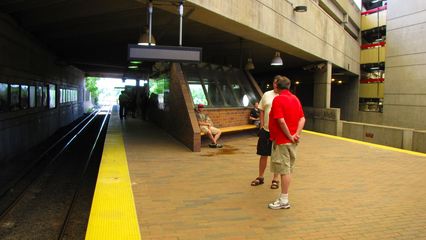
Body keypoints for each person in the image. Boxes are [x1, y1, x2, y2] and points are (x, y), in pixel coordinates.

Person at [267, 76, 305, 210]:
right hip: (293, 141)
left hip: (283, 141)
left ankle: (284, 200)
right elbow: (302, 119)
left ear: (277, 86)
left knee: (284, 171)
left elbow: (280, 121)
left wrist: (289, 135)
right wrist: (296, 135)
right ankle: (284, 198)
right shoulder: (295, 99)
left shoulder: (278, 99)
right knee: (288, 169)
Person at [250, 76, 280, 189]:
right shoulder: (267, 94)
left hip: (277, 132)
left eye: (277, 83)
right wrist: (262, 124)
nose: (275, 85)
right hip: (266, 130)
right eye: (274, 83)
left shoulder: (283, 96)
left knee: (276, 156)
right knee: (263, 154)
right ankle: (260, 177)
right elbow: (262, 110)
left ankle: (275, 179)